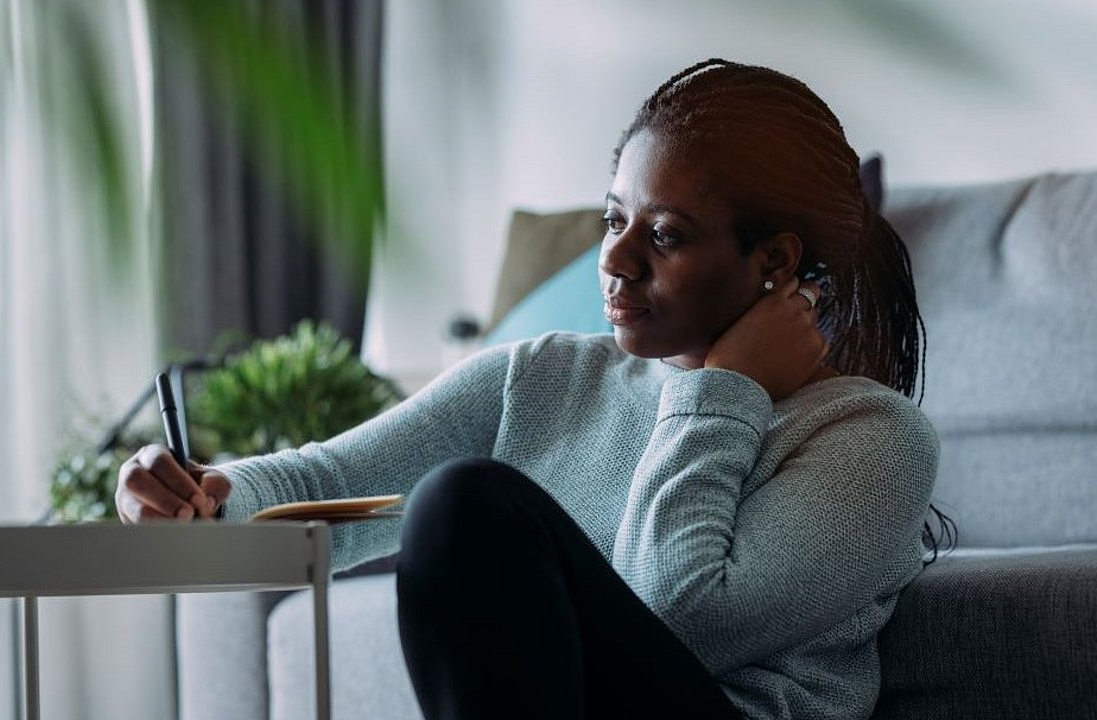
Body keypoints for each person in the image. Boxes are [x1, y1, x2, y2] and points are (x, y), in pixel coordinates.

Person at [116, 58, 953, 720]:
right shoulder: (545, 376)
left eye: (663, 235)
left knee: (470, 502)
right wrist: (201, 501)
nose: (616, 260)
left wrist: (723, 388)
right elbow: (329, 489)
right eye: (611, 219)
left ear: (772, 263)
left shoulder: (872, 440)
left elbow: (684, 618)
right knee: (459, 504)